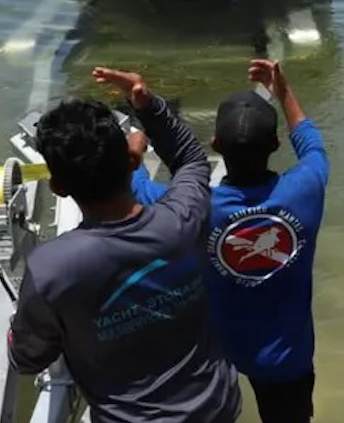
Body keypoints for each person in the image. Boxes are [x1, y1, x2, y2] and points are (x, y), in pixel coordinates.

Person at [6, 67, 242, 423]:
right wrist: (148, 106)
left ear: (58, 188)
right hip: (215, 408)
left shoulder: (52, 269)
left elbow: (27, 358)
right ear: (132, 162)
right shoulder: (181, 220)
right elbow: (191, 160)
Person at [132, 60, 329, 423]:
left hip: (216, 356)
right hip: (287, 360)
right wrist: (283, 90)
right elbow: (310, 141)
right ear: (275, 143)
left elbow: (139, 191)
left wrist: (134, 156)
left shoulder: (196, 207)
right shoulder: (307, 187)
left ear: (215, 144)